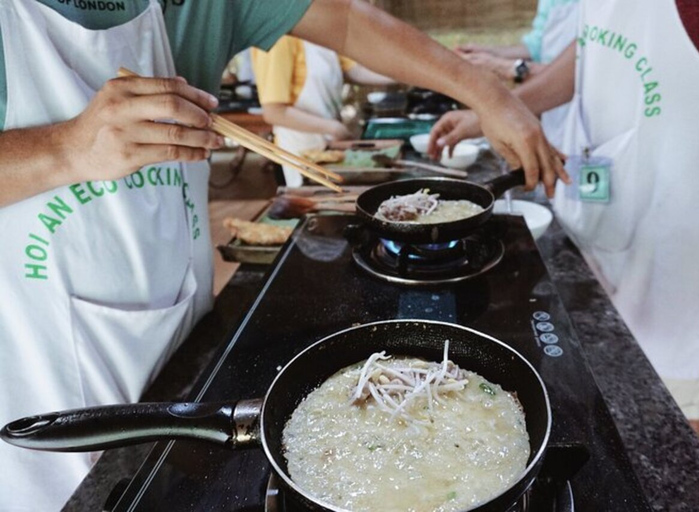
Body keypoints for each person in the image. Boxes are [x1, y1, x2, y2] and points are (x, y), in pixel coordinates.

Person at [0, 1, 567, 510]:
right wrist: (65, 146)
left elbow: (343, 18)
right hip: (44, 344)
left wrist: (492, 95)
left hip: (181, 311)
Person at [429, 0, 699, 439]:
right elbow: (592, 52)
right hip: (605, 206)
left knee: (667, 421)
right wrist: (494, 111)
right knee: (599, 394)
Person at [252, 36, 393, 187]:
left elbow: (354, 71)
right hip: (299, 150)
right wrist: (332, 127)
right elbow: (274, 112)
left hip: (329, 146)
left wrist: (408, 75)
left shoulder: (321, 35)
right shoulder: (278, 40)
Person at [457, 0, 579, 149]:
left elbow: (577, 75)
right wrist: (489, 53)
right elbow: (536, 46)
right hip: (554, 119)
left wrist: (509, 68)